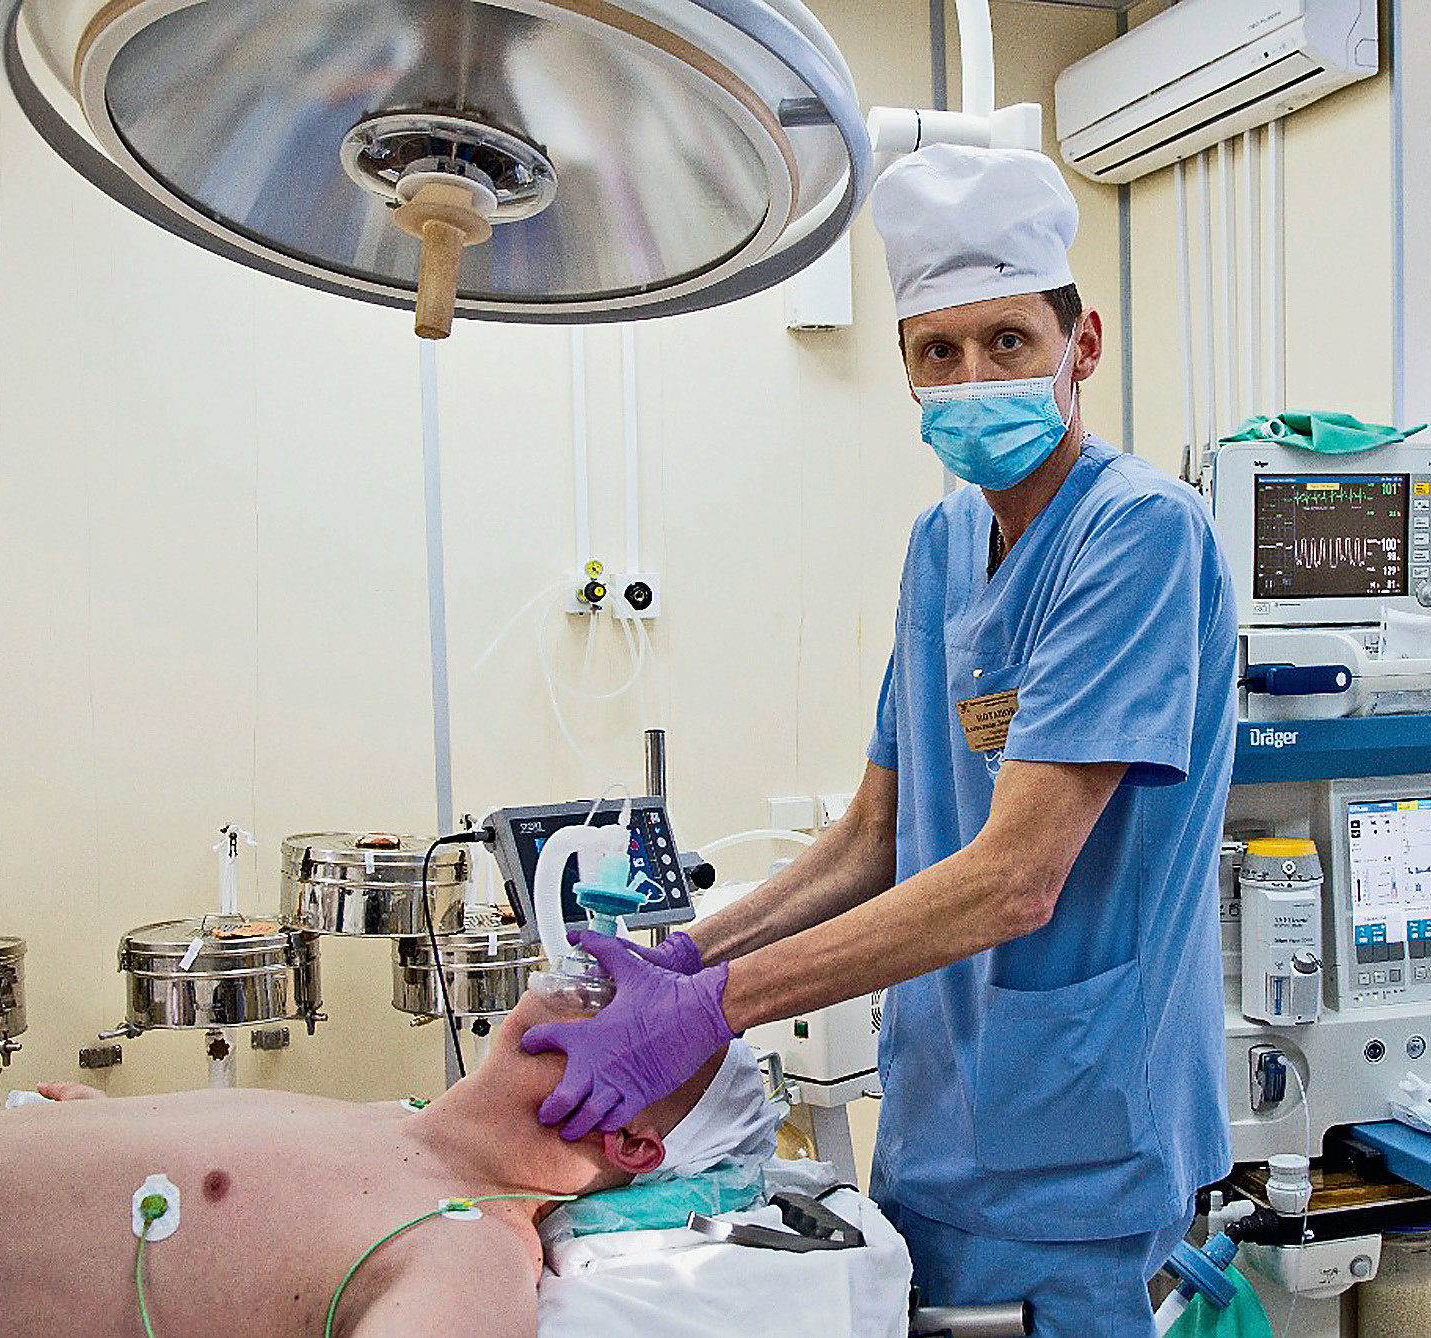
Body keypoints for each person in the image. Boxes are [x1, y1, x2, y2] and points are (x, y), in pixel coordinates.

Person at [524, 142, 1238, 1336]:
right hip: (941, 1120)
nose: (973, 378)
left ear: (1082, 345)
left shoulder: (1141, 536)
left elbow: (1017, 879)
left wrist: (716, 1008)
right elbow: (875, 834)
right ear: (905, 370)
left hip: (1084, 1134)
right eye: (937, 352)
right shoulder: (942, 544)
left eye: (1008, 341)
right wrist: (684, 960)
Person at [0, 991, 777, 1338]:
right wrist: (101, 1139)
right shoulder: (386, 1121)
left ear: (631, 1142)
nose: (611, 986)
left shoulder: (470, 1248)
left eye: (644, 1025)